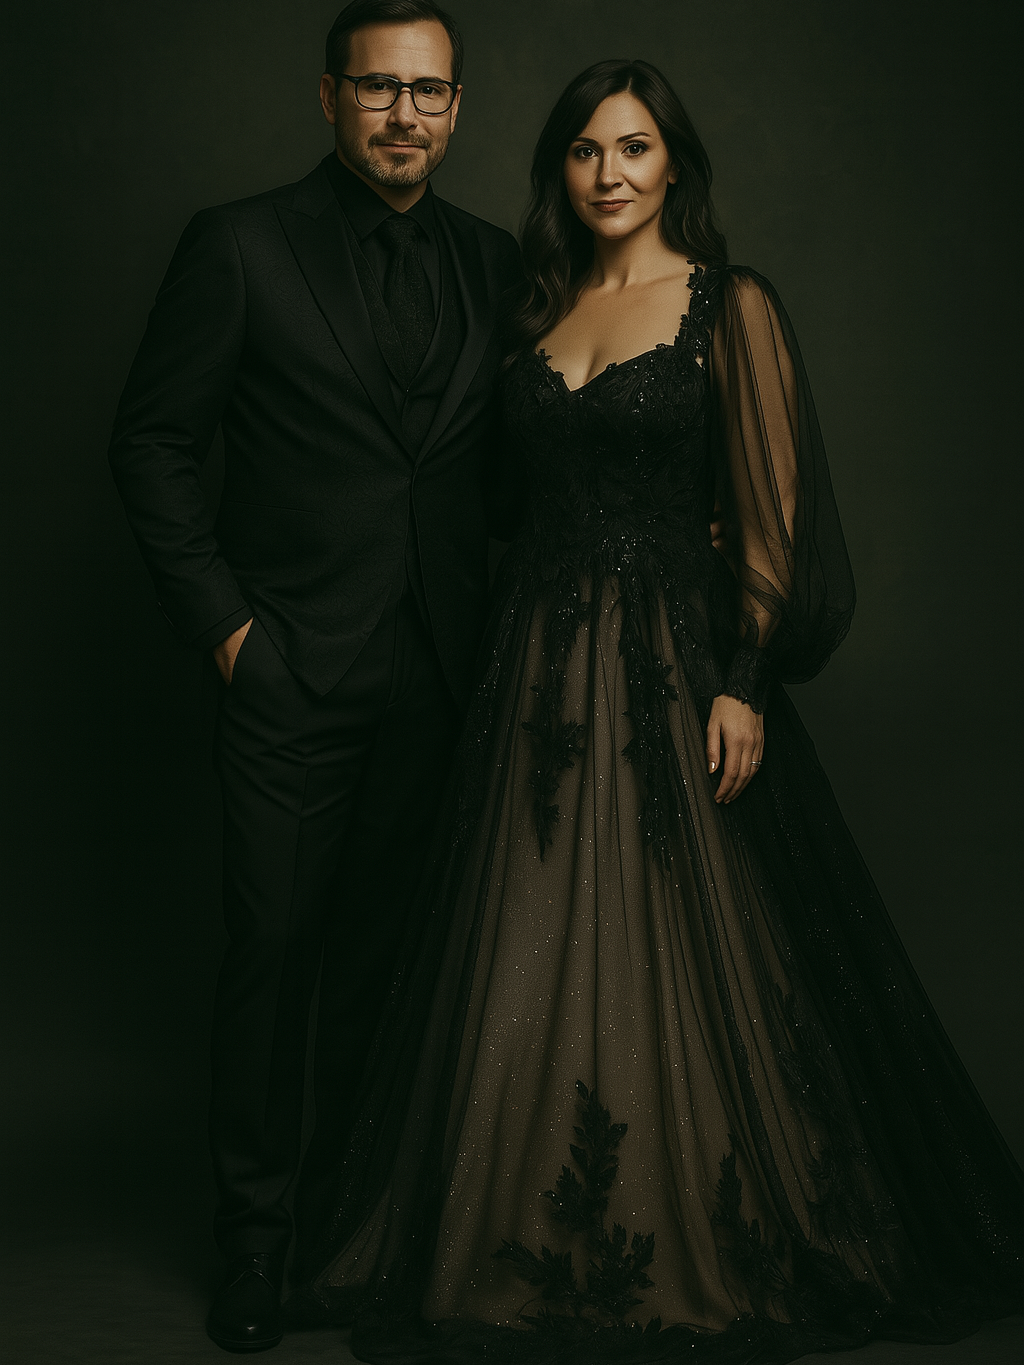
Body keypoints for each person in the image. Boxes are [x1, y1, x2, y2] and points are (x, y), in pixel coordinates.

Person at [294, 60, 1024, 1363]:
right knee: (518, 950)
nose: (610, 172)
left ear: (674, 162)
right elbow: (492, 506)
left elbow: (772, 517)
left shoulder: (730, 305)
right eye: (586, 150)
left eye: (634, 147)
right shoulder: (537, 307)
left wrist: (746, 680)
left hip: (674, 671)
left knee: (693, 954)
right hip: (530, 680)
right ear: (560, 171)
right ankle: (497, 1229)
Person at [107, 1, 525, 1352]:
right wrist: (229, 630)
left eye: (429, 92)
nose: (405, 115)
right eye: (379, 88)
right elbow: (152, 442)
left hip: (442, 676)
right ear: (330, 97)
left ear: (456, 108)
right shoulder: (239, 244)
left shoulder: (494, 261)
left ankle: (351, 1236)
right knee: (274, 955)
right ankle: (257, 1245)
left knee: (387, 968)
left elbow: (506, 463)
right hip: (288, 672)